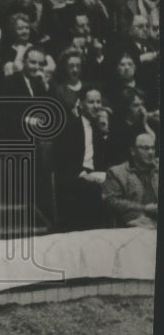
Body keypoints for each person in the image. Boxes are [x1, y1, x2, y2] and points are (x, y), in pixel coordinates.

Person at [53, 86, 109, 230]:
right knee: (92, 192)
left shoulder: (99, 128)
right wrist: (84, 175)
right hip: (73, 177)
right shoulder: (69, 127)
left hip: (95, 175)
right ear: (82, 104)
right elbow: (61, 160)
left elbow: (106, 160)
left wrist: (105, 133)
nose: (96, 106)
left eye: (98, 102)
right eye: (91, 102)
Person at [102, 132, 158, 228]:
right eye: (145, 148)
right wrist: (144, 208)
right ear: (133, 151)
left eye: (153, 148)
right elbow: (111, 201)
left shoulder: (158, 169)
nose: (150, 152)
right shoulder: (117, 172)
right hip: (132, 222)